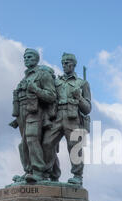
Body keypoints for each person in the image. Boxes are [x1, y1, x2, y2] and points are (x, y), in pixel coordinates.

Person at [43, 53, 91, 185]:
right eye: (63, 63)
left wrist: (79, 98)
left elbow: (87, 109)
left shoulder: (82, 83)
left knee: (75, 147)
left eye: (67, 63)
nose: (64, 65)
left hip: (73, 118)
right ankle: (49, 174)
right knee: (47, 143)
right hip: (57, 116)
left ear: (74, 64)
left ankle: (77, 176)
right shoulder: (56, 82)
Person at [11, 48, 58, 183]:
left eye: (30, 57)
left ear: (37, 59)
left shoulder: (43, 75)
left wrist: (36, 90)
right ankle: (29, 171)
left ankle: (38, 171)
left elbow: (51, 96)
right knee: (24, 144)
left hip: (36, 112)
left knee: (32, 139)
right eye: (25, 57)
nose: (27, 59)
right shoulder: (25, 78)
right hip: (21, 114)